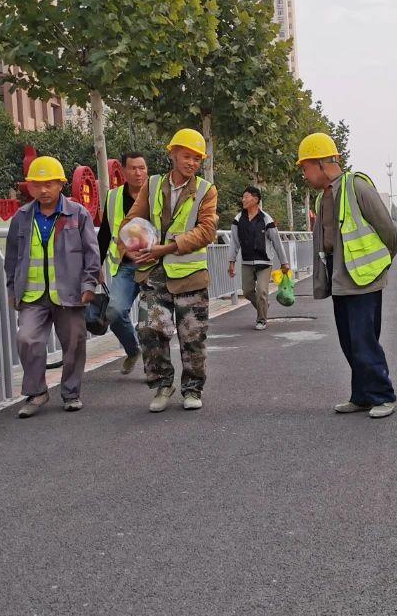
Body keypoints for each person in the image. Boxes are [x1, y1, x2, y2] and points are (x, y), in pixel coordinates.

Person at [297, 132, 397, 419]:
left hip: (363, 279)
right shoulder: (323, 197)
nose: (304, 174)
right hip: (340, 278)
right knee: (348, 340)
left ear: (320, 163)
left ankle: (383, 395)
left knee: (364, 338)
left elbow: (389, 233)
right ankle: (362, 395)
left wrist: (378, 266)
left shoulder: (356, 187)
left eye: (305, 167)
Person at [122, 129, 218, 413]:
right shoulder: (152, 185)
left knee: (192, 336)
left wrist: (168, 247)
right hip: (153, 274)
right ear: (172, 154)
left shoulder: (205, 190)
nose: (192, 163)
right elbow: (132, 220)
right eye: (187, 156)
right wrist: (128, 246)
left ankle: (192, 389)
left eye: (197, 159)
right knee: (149, 328)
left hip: (190, 276)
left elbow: (207, 230)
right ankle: (162, 384)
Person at [3, 156, 100, 418]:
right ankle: (37, 392)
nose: (43, 190)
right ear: (30, 187)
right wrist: (12, 290)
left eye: (49, 184)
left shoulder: (77, 213)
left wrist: (89, 283)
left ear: (60, 184)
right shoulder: (22, 217)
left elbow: (92, 252)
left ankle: (71, 393)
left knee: (73, 343)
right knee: (27, 338)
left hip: (69, 291)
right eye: (37, 185)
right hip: (33, 293)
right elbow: (12, 258)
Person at [98, 151, 149, 373]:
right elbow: (104, 234)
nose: (139, 173)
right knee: (115, 312)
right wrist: (95, 267)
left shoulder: (157, 194)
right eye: (133, 168)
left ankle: (155, 372)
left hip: (153, 266)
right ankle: (132, 350)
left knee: (150, 324)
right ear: (124, 171)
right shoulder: (113, 197)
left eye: (142, 168)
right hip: (125, 266)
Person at [227, 185, 290, 330]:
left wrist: (284, 262)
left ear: (255, 199)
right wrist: (231, 262)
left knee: (262, 291)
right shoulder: (238, 219)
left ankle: (261, 319)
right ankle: (263, 305)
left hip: (264, 261)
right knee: (247, 291)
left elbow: (276, 242)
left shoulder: (266, 219)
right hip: (247, 261)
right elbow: (234, 243)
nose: (243, 200)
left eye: (246, 197)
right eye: (243, 197)